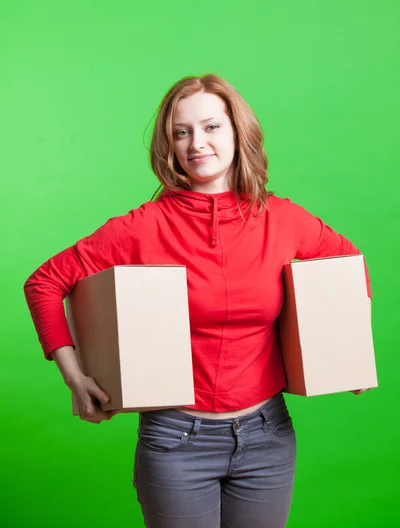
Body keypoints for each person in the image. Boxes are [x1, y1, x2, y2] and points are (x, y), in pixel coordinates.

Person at [23, 73, 372, 528]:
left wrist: (348, 356)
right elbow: (45, 282)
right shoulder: (143, 226)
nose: (197, 144)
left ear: (236, 131)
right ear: (168, 146)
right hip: (175, 440)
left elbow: (349, 264)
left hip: (267, 435)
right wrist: (75, 378)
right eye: (181, 132)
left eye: (211, 127)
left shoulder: (283, 219)